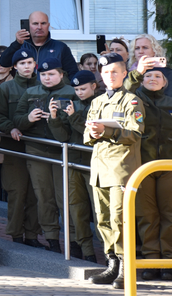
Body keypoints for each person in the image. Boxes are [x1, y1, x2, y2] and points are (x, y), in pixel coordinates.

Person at [85, 53, 145, 289]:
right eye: (106, 72)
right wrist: (94, 132)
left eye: (114, 72)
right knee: (102, 219)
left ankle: (126, 267)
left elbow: (135, 133)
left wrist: (107, 131)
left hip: (122, 168)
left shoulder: (132, 101)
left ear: (123, 74)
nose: (110, 76)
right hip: (100, 168)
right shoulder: (97, 101)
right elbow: (87, 134)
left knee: (120, 219)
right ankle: (112, 263)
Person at [14, 57, 75, 253]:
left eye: (51, 74)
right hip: (37, 150)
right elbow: (17, 120)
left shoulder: (72, 92)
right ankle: (52, 239)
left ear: (61, 75)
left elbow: (78, 122)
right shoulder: (31, 92)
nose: (47, 78)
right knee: (44, 197)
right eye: (43, 74)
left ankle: (73, 240)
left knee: (65, 198)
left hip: (62, 152)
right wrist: (28, 118)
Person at [48, 70, 99, 262]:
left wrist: (74, 117)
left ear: (94, 86)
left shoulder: (100, 103)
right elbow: (63, 137)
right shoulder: (72, 105)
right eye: (76, 89)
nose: (79, 93)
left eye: (83, 89)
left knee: (99, 211)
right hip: (74, 163)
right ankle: (87, 252)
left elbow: (91, 135)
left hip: (94, 164)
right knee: (77, 210)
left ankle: (110, 255)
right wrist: (54, 118)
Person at [128, 57, 172, 280]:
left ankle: (168, 261)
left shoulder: (170, 103)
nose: (153, 79)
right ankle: (150, 259)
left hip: (168, 167)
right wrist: (137, 72)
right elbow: (126, 89)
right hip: (142, 167)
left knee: (169, 214)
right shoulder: (133, 99)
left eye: (157, 76)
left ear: (165, 82)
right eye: (148, 75)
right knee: (147, 215)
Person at [0, 49, 43, 248]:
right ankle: (15, 234)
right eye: (22, 63)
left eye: (29, 62)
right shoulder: (6, 88)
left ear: (35, 65)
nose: (26, 66)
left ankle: (32, 235)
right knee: (17, 192)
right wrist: (11, 128)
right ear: (15, 67)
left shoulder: (42, 85)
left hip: (39, 147)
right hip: (14, 148)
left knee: (35, 194)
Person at [0, 11, 78, 79]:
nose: (39, 27)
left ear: (48, 25)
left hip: (52, 91)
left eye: (43, 23)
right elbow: (4, 63)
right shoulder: (20, 46)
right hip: (25, 91)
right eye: (35, 23)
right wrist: (17, 43)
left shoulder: (60, 47)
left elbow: (72, 73)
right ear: (29, 25)